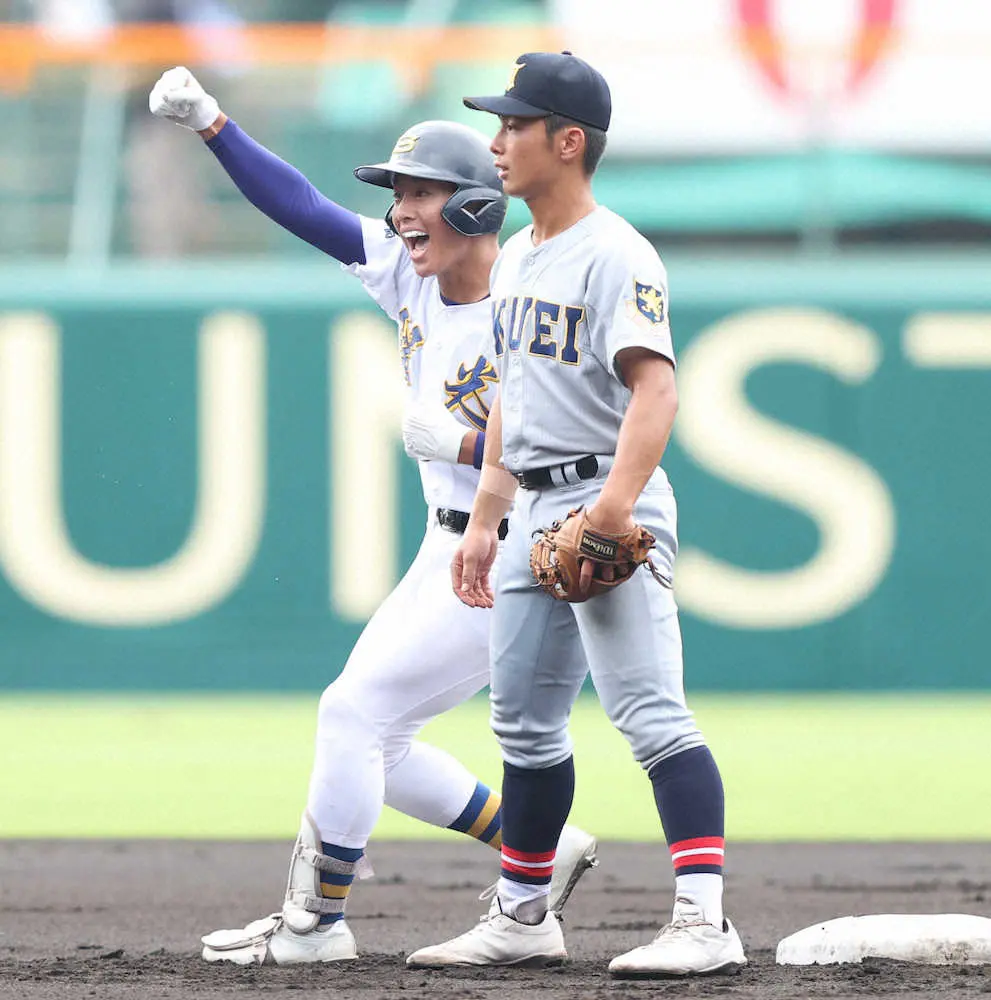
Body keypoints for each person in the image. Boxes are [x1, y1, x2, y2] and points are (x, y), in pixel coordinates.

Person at [148, 65, 597, 967]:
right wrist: (212, 124)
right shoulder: (408, 274)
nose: (400, 212)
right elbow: (304, 208)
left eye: (421, 194)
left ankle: (315, 924)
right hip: (453, 547)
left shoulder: (533, 297)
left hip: (530, 552)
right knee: (372, 738)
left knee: (352, 716)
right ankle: (538, 843)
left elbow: (586, 447)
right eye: (397, 194)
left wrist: (465, 449)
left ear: (475, 206)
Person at [405, 52, 748, 978]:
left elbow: (656, 392)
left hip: (605, 494)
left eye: (515, 125)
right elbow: (513, 395)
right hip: (532, 506)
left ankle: (704, 922)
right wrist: (486, 515)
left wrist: (612, 508)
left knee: (650, 717)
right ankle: (522, 915)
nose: (496, 141)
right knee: (521, 727)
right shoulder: (516, 254)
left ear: (567, 141)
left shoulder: (617, 251)